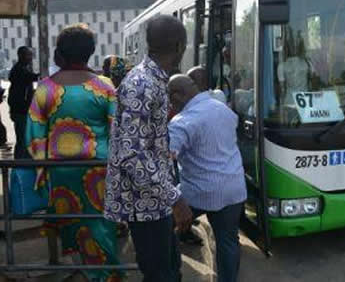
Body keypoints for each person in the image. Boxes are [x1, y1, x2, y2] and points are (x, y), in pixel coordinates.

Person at [25, 24, 122, 282]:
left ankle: (83, 268)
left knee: (70, 221)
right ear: (90, 52)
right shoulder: (105, 86)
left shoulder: (45, 88)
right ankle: (104, 275)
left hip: (61, 172)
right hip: (99, 171)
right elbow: (118, 132)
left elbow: (34, 134)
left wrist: (41, 167)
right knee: (100, 225)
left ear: (61, 53)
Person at [104, 15, 192, 282]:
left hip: (156, 201)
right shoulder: (141, 84)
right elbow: (132, 154)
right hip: (145, 204)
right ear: (179, 46)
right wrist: (174, 198)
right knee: (159, 275)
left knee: (170, 270)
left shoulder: (153, 80)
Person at [168, 74, 247, 282]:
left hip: (197, 192)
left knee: (163, 230)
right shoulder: (223, 108)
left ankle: (171, 273)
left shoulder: (182, 122)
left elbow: (165, 159)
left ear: (177, 96)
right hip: (233, 187)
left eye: (169, 97)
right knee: (228, 241)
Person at [8, 46, 39, 159]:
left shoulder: (22, 69)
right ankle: (21, 162)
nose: (31, 58)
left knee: (24, 138)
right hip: (21, 111)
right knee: (22, 138)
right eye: (28, 55)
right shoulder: (19, 70)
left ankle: (22, 160)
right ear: (20, 55)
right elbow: (29, 78)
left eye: (31, 55)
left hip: (20, 110)